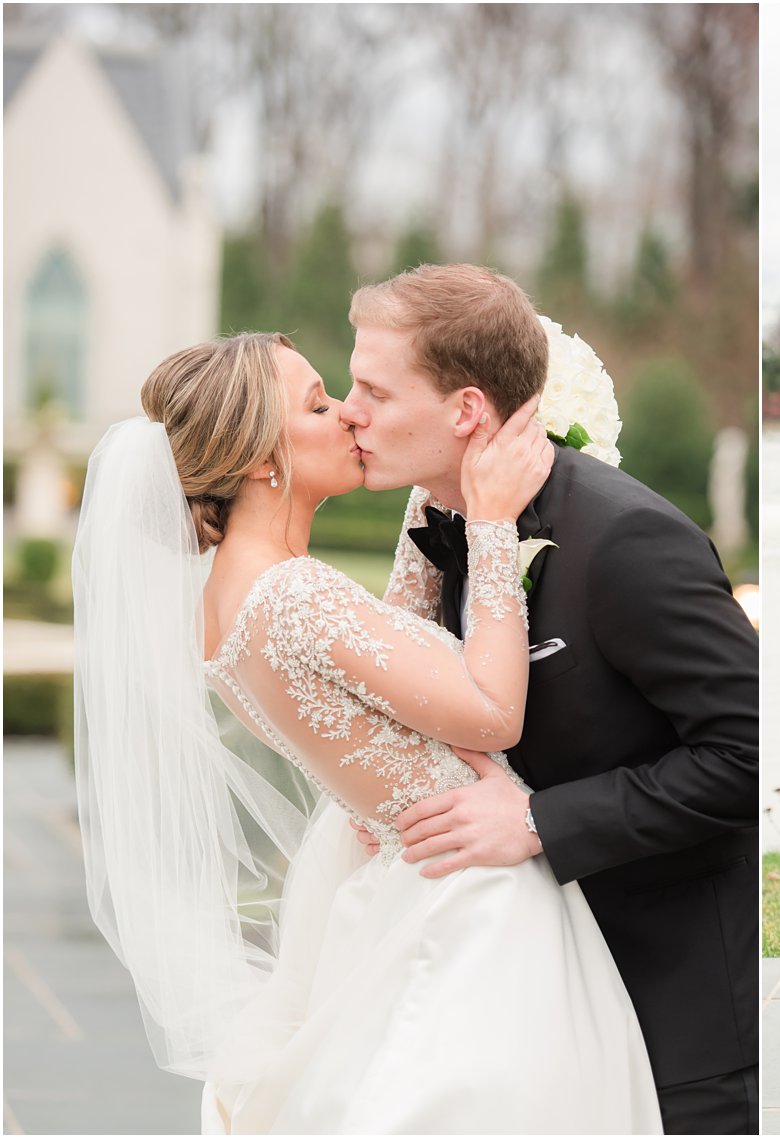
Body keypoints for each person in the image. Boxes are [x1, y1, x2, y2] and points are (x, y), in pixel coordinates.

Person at [74, 332, 663, 1133]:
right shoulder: (292, 594)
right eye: (318, 404)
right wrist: (489, 525)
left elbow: (382, 656)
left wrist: (432, 489)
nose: (349, 415)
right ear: (259, 460)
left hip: (401, 875)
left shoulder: (234, 599)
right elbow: (493, 712)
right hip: (472, 898)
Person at [339, 264, 760, 1134]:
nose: (350, 411)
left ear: (465, 411)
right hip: (533, 1005)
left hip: (675, 1017)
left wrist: (536, 822)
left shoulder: (626, 539)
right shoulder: (453, 536)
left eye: (374, 390)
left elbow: (749, 755)